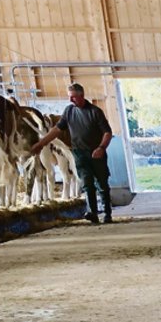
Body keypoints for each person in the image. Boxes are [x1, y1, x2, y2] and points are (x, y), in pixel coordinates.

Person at [31, 83, 113, 224]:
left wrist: (101, 147)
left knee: (102, 183)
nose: (71, 100)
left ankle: (107, 213)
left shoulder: (95, 111)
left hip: (96, 152)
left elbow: (107, 132)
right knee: (86, 183)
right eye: (69, 97)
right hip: (79, 153)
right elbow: (57, 130)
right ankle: (92, 212)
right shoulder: (69, 111)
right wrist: (41, 143)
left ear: (82, 95)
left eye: (73, 97)